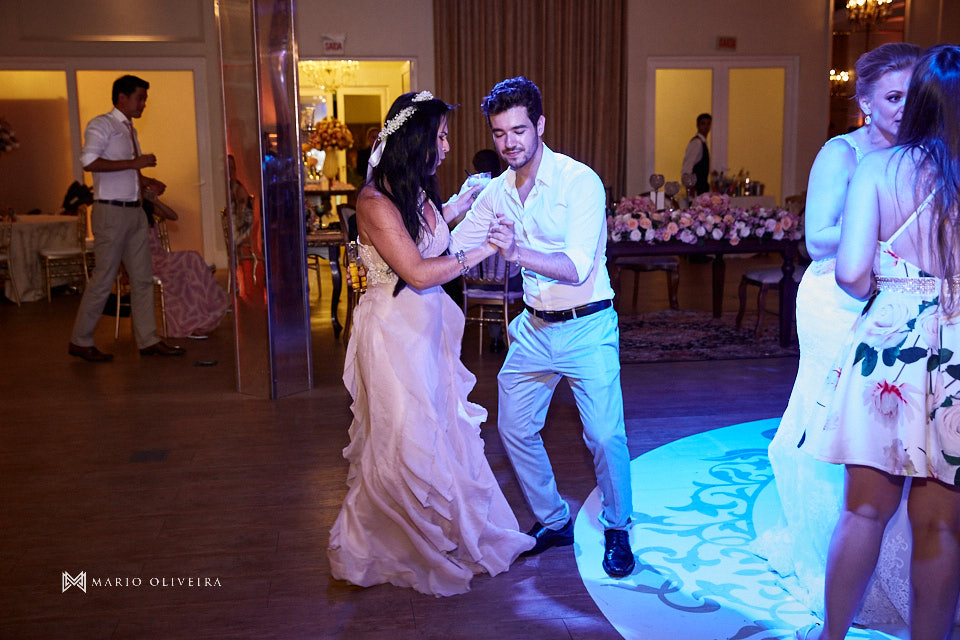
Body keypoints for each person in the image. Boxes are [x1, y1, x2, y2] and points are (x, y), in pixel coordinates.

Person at [327, 90, 533, 596]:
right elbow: (417, 271)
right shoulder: (373, 202)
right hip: (393, 333)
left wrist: (462, 201)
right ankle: (392, 542)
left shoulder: (413, 192)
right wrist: (484, 248)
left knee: (440, 430)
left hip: (428, 330)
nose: (445, 147)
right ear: (415, 140)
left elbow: (427, 232)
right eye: (439, 137)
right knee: (403, 436)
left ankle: (444, 531)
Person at [753, 42, 923, 626]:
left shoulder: (928, 153)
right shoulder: (842, 153)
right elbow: (817, 238)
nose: (904, 107)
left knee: (901, 433)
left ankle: (896, 568)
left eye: (913, 95)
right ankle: (831, 559)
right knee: (841, 428)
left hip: (903, 303)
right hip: (836, 301)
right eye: (893, 97)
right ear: (866, 103)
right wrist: (876, 225)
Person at [797, 44, 960, 640]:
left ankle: (831, 636)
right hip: (957, 348)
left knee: (864, 511)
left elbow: (848, 272)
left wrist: (893, 290)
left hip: (891, 341)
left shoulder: (879, 168)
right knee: (942, 525)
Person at [449, 76, 635, 578]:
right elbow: (453, 249)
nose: (509, 143)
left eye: (519, 131)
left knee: (604, 435)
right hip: (533, 328)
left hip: (587, 325)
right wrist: (444, 212)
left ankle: (618, 527)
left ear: (540, 125)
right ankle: (554, 519)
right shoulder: (496, 192)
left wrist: (516, 252)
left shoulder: (579, 181)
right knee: (513, 427)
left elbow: (576, 266)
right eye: (499, 133)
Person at [68, 74, 185, 362]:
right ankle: (80, 340)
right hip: (111, 212)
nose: (143, 104)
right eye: (140, 98)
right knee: (104, 277)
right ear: (122, 97)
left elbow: (124, 170)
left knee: (142, 279)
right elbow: (89, 161)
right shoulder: (102, 124)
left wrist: (145, 181)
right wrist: (135, 163)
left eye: (145, 99)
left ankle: (148, 340)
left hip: (134, 211)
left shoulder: (128, 129)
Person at [142, 196, 229, 338]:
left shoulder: (146, 206)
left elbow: (173, 216)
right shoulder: (128, 210)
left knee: (192, 262)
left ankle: (203, 314)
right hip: (145, 261)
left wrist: (155, 200)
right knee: (190, 260)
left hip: (160, 256)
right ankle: (190, 322)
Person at [681, 113, 711, 195]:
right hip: (696, 189)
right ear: (697, 126)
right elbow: (687, 165)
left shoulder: (703, 143)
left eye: (708, 124)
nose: (706, 127)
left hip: (702, 187)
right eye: (703, 123)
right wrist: (689, 186)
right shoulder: (697, 143)